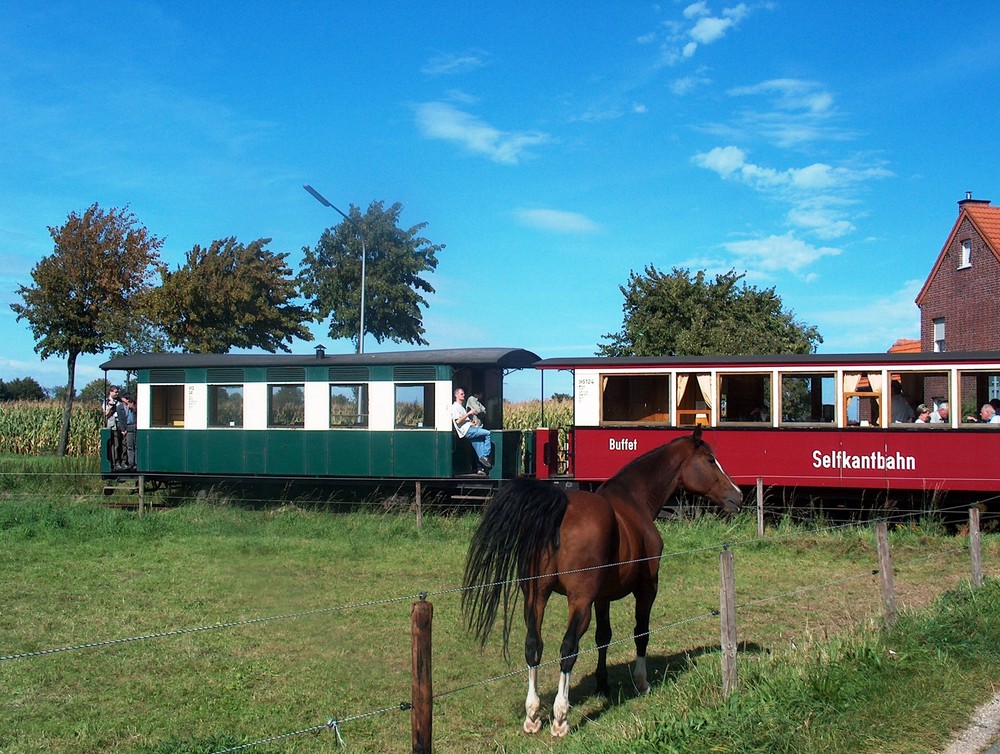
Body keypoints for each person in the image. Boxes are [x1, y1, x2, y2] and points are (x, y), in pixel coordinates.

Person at [452, 386, 492, 474]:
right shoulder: (455, 407)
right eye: (461, 394)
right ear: (456, 395)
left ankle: (480, 469)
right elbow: (458, 421)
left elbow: (464, 420)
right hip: (468, 431)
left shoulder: (461, 407)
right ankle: (485, 456)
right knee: (489, 434)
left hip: (470, 428)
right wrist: (469, 413)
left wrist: (471, 422)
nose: (464, 395)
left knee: (480, 447)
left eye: (463, 394)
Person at [102, 386, 125, 468]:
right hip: (112, 424)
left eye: (117, 392)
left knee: (122, 443)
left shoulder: (119, 401)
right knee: (115, 444)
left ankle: (122, 461)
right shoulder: (106, 401)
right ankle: (116, 463)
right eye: (115, 392)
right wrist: (111, 407)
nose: (117, 393)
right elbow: (106, 414)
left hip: (120, 423)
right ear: (110, 392)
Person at [121, 394, 138, 469]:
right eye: (126, 399)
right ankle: (131, 463)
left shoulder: (134, 406)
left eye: (129, 399)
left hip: (135, 426)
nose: (127, 400)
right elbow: (122, 419)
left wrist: (132, 407)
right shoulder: (121, 407)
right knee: (130, 446)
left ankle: (137, 463)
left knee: (136, 446)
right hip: (128, 427)